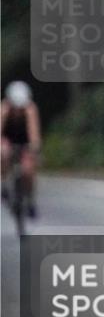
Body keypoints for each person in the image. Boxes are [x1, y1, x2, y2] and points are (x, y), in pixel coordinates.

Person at [1, 80, 42, 217]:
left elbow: (33, 132)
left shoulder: (30, 109)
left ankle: (30, 200)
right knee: (3, 153)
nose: (18, 111)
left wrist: (34, 148)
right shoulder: (4, 109)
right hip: (8, 139)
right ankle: (5, 183)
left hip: (25, 141)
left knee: (28, 170)